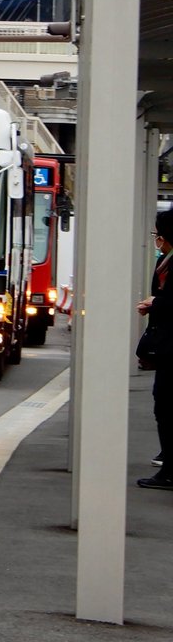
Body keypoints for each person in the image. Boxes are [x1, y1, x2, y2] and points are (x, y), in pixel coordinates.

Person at [137, 209, 173, 489]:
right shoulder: (165, 262)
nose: (156, 239)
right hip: (166, 344)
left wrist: (155, 304)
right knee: (163, 402)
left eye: (159, 234)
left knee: (166, 403)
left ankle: (169, 469)